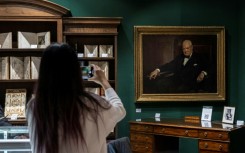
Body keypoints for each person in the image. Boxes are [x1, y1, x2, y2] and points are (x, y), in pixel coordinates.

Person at [26, 43, 126, 153]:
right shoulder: (94, 105)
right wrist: (103, 81)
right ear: (76, 71)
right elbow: (120, 110)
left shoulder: (34, 106)